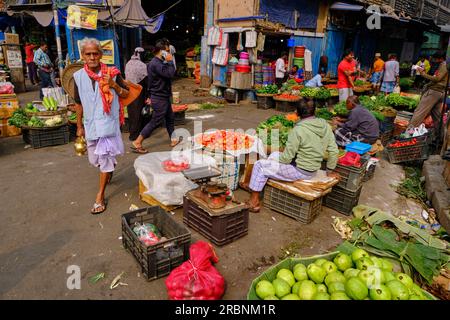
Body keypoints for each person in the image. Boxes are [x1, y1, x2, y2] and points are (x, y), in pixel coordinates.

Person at [245, 99, 340, 212]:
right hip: (313, 169)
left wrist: (277, 161)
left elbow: (286, 158)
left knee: (260, 165)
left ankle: (254, 201)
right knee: (274, 155)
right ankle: (261, 185)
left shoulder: (298, 130)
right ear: (314, 111)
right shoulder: (324, 125)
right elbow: (334, 151)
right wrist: (329, 170)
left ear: (297, 113)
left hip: (300, 171)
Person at [73, 37, 130, 214]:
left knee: (104, 160)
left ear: (101, 54)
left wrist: (114, 85)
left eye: (95, 53)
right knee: (95, 160)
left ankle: (100, 196)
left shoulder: (112, 73)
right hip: (90, 125)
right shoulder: (78, 77)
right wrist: (79, 126)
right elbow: (78, 103)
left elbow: (126, 94)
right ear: (83, 56)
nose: (92, 57)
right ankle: (108, 171)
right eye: (88, 54)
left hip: (108, 125)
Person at [131, 40, 182, 154]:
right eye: (167, 51)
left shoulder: (159, 62)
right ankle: (138, 141)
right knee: (155, 121)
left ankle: (173, 139)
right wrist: (169, 61)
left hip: (163, 95)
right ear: (162, 51)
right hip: (159, 97)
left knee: (170, 118)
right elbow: (170, 74)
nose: (169, 53)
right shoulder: (156, 63)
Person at [410, 51, 448, 135]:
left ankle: (408, 133)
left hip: (435, 91)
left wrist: (423, 73)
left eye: (435, 59)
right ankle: (442, 137)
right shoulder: (444, 65)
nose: (433, 60)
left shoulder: (444, 65)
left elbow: (437, 79)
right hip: (440, 92)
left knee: (419, 112)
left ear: (440, 58)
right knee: (437, 116)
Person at [125, 47, 149, 141]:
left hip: (129, 91)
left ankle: (132, 133)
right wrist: (148, 94)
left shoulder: (128, 63)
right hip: (139, 91)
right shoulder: (142, 65)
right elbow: (145, 80)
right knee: (139, 113)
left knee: (132, 113)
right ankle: (137, 135)